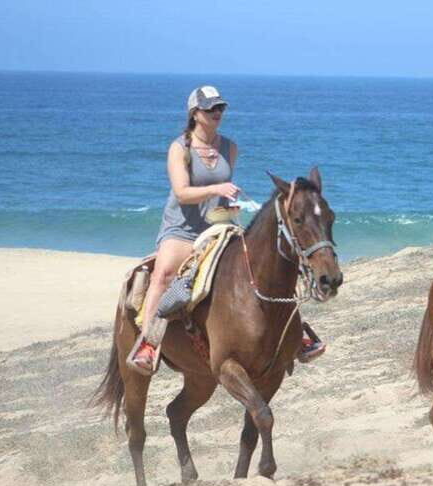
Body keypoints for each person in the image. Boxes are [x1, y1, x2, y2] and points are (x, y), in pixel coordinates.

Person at [127, 86, 324, 375]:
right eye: (211, 109)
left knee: (267, 266)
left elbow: (221, 193)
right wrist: (217, 188)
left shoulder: (229, 147)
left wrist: (230, 206)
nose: (218, 113)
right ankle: (149, 344)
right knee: (164, 273)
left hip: (219, 224)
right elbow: (181, 193)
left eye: (220, 108)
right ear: (195, 113)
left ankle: (298, 335)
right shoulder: (179, 148)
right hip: (183, 229)